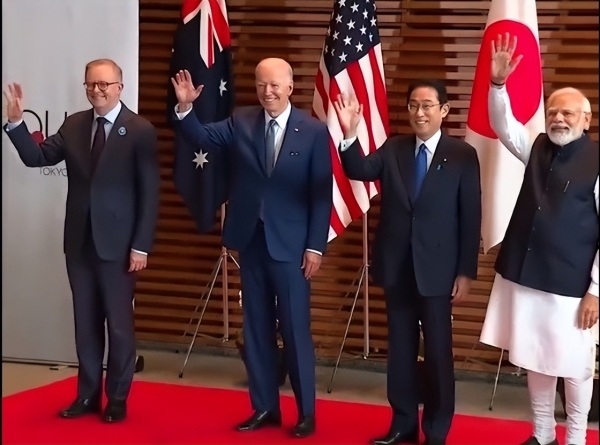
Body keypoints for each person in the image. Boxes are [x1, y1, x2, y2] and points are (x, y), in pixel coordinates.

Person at [170, 57, 332, 438]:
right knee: (256, 328)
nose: (267, 91)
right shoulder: (241, 121)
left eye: (274, 85)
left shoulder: (313, 130)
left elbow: (321, 194)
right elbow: (202, 138)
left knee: (295, 331)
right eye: (261, 84)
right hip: (251, 241)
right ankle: (265, 407)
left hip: (292, 248)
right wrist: (185, 108)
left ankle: (306, 413)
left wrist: (315, 247)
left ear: (290, 87)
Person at [3, 59, 160, 423]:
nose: (97, 90)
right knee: (85, 323)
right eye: (91, 84)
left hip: (120, 246)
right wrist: (16, 123)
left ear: (120, 87)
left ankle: (117, 397)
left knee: (118, 325)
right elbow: (37, 157)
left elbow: (150, 193)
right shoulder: (74, 124)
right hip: (79, 243)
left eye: (104, 84)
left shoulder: (140, 130)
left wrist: (141, 245)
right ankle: (87, 394)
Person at [333, 80, 482, 445]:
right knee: (400, 350)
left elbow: (471, 217)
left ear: (443, 110)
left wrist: (466, 271)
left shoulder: (462, 155)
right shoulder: (394, 147)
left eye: (427, 105)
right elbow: (360, 169)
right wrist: (350, 133)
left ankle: (436, 429)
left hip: (439, 271)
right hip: (397, 267)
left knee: (437, 353)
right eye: (414, 105)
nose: (419, 112)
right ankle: (402, 424)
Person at [479, 33, 599, 445]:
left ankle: (577, 438)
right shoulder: (537, 147)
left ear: (586, 119)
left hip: (573, 285)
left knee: (575, 364)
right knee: (536, 356)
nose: (558, 119)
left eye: (568, 113)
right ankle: (543, 434)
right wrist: (498, 85)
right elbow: (503, 125)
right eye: (553, 112)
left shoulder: (597, 161)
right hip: (528, 274)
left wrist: (596, 291)